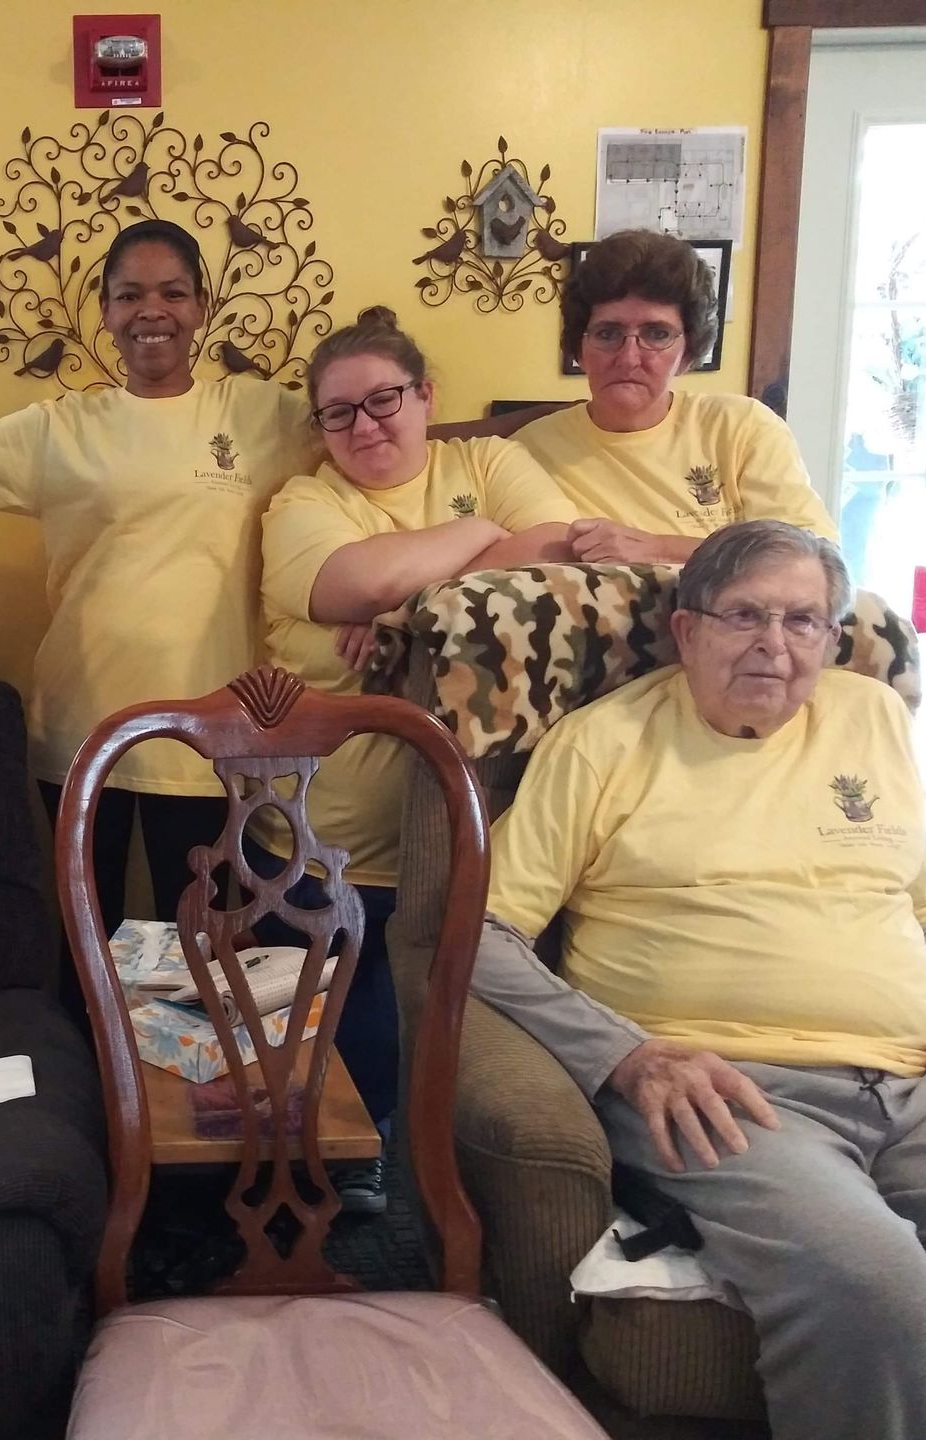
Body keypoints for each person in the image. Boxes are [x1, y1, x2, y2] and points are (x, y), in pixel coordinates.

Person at [473, 519, 926, 1440]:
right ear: (687, 630)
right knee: (869, 1281)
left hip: (921, 1092)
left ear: (832, 637)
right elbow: (481, 937)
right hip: (730, 1096)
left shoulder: (873, 717)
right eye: (746, 616)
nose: (776, 644)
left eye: (804, 620)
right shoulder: (603, 742)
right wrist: (627, 1056)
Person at [254, 307, 576, 1209]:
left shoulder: (490, 463)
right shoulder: (302, 504)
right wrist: (478, 540)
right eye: (339, 412)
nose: (364, 427)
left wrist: (407, 603)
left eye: (384, 400)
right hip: (326, 843)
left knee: (447, 1053)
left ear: (426, 395)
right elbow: (350, 582)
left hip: (476, 834)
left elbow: (559, 559)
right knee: (335, 1084)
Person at [0, 219, 323, 933]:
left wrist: (527, 432)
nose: (150, 311)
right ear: (105, 310)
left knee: (201, 947)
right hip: (80, 731)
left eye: (172, 293)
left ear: (201, 307)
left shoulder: (260, 415)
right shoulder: (60, 428)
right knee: (83, 942)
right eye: (129, 295)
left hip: (208, 737)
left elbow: (384, 442)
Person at [518, 229, 837, 564]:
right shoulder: (526, 451)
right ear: (579, 350)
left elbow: (815, 558)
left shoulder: (742, 427)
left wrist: (657, 548)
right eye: (608, 333)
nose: (629, 358)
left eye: (657, 334)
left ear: (688, 353)